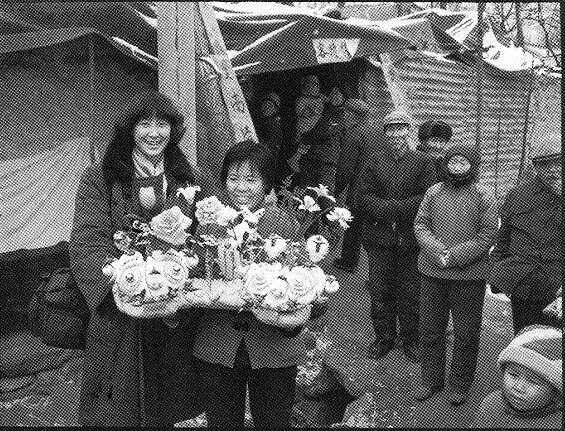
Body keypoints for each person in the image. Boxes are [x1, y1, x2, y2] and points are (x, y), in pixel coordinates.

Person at [69, 92, 213, 426]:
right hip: (123, 315)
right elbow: (87, 245)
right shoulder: (101, 178)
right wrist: (126, 287)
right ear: (130, 129)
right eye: (144, 123)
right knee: (121, 410)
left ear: (172, 129)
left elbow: (209, 234)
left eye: (162, 123)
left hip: (175, 315)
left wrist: (191, 257)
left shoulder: (187, 178)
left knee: (168, 408)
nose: (153, 132)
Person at [193, 140, 326, 428]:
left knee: (274, 423)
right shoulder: (210, 223)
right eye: (233, 178)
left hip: (273, 347)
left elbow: (309, 289)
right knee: (222, 424)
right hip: (218, 344)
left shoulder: (286, 223)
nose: (241, 187)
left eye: (251, 179)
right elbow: (194, 280)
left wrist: (289, 315)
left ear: (266, 185)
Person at [413, 144, 498, 405]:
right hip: (432, 272)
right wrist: (438, 251)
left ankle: (460, 383)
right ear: (446, 164)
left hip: (468, 277)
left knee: (466, 333)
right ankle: (430, 379)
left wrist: (456, 255)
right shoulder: (434, 191)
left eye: (463, 162)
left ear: (473, 165)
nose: (457, 166)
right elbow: (420, 224)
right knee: (429, 330)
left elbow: (488, 234)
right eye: (453, 162)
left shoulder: (484, 195)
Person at [356, 109, 437, 362]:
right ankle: (384, 337)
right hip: (379, 238)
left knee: (411, 292)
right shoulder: (374, 161)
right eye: (391, 129)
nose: (396, 134)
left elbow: (428, 196)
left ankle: (411, 339)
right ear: (385, 133)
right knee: (380, 291)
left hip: (410, 240)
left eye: (400, 128)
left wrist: (395, 209)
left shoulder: (423, 162)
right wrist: (382, 209)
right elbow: (363, 194)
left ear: (408, 131)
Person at [489, 132, 562, 334]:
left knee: (554, 352)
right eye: (544, 165)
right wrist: (499, 273)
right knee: (524, 344)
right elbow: (502, 241)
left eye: (558, 162)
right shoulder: (518, 194)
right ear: (536, 167)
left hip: (557, 290)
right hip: (523, 288)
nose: (553, 170)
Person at [472, 325, 562, 428]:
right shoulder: (491, 404)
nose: (519, 387)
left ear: (556, 391)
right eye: (513, 375)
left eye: (533, 381)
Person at [333, 98, 373, 273]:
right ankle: (377, 273)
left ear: (352, 115)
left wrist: (336, 190)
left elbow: (345, 167)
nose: (343, 116)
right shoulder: (377, 131)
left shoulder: (354, 134)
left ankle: (349, 262)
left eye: (345, 113)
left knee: (354, 226)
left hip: (360, 189)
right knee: (373, 229)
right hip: (380, 188)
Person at [292, 86, 345, 194]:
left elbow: (324, 132)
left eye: (338, 93)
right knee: (310, 195)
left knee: (325, 195)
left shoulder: (342, 113)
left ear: (343, 97)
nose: (334, 96)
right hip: (314, 158)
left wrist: (305, 137)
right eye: (332, 93)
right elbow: (317, 128)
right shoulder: (327, 111)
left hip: (329, 160)